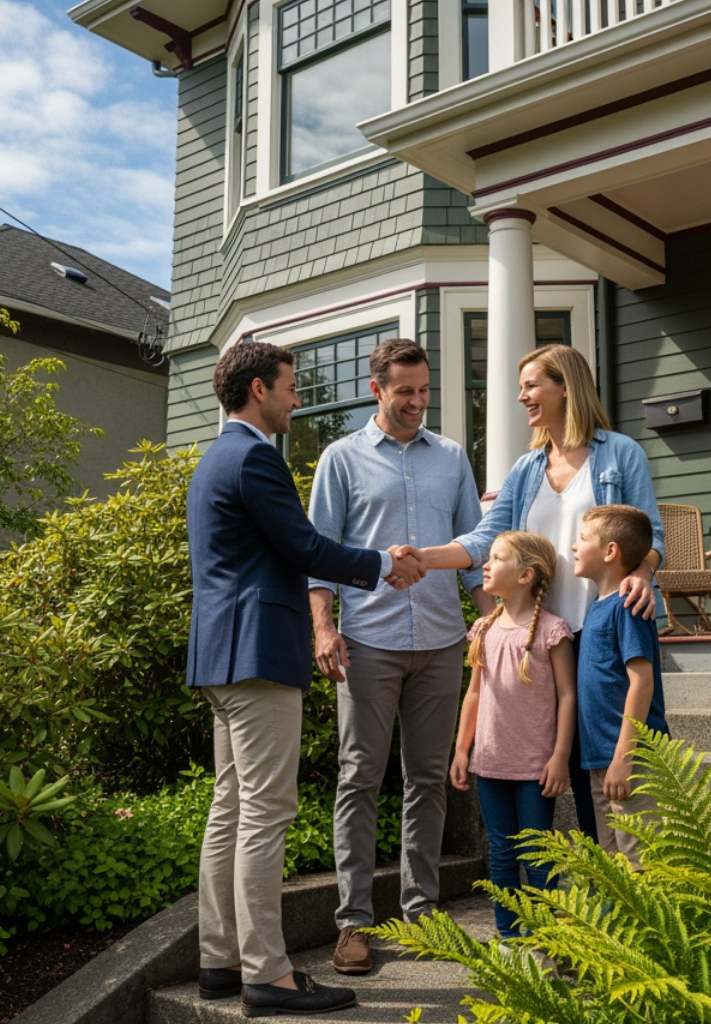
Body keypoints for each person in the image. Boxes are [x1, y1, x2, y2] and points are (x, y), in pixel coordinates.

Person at [186, 340, 423, 1016]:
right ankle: (268, 973)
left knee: (231, 808)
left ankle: (220, 960)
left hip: (220, 657)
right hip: (258, 655)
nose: (298, 398)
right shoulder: (255, 457)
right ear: (258, 390)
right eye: (290, 386)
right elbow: (307, 546)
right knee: (265, 812)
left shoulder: (214, 457)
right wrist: (384, 564)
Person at [411, 344, 665, 839]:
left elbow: (650, 533)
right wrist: (425, 557)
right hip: (544, 639)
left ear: (565, 387)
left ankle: (621, 894)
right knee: (558, 771)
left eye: (531, 385)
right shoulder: (527, 470)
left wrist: (643, 571)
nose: (522, 396)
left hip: (601, 635)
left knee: (604, 768)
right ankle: (580, 891)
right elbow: (488, 540)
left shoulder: (619, 454)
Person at [307, 338, 495, 976]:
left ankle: (422, 912)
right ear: (376, 389)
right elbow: (320, 553)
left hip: (441, 640)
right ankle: (354, 923)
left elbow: (476, 543)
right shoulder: (340, 458)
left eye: (424, 390)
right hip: (367, 645)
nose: (417, 402)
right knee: (359, 779)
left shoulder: (451, 458)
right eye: (405, 391)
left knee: (427, 782)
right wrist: (323, 628)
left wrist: (490, 618)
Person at [449, 531, 576, 940]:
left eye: (496, 557)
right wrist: (461, 749)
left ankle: (546, 942)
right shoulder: (483, 628)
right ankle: (510, 940)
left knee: (538, 856)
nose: (485, 565)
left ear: (525, 575)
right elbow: (473, 695)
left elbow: (568, 696)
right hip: (490, 763)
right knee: (501, 854)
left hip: (536, 767)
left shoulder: (552, 631)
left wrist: (559, 757)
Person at [570, 505, 670, 867]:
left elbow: (641, 682)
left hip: (630, 761)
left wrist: (624, 759)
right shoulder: (596, 608)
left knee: (644, 864)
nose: (573, 546)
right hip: (600, 761)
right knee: (617, 868)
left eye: (582, 539)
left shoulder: (628, 606)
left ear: (610, 552)